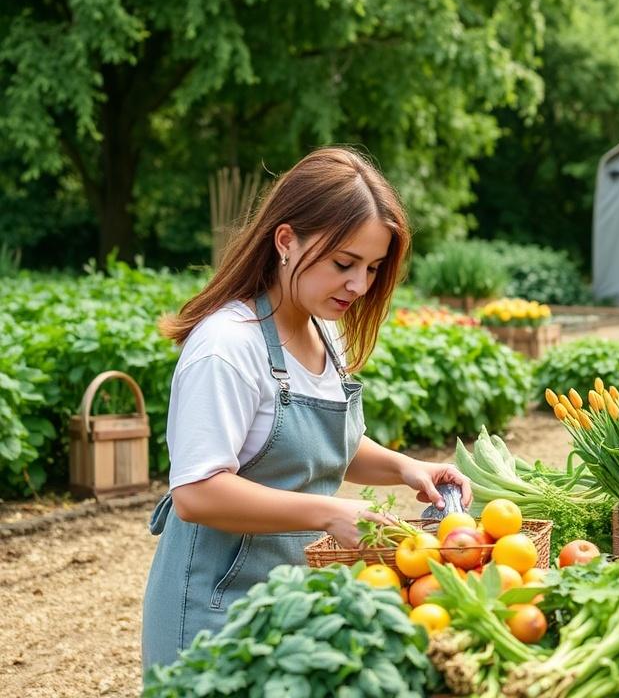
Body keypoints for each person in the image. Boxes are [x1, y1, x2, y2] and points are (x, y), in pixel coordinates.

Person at [141, 147, 471, 670]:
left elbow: (320, 447)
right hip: (215, 612)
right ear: (286, 241)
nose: (359, 285)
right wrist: (332, 513)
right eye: (344, 263)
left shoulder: (324, 331)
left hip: (289, 603)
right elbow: (197, 493)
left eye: (372, 268)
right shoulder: (227, 346)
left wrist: (407, 468)